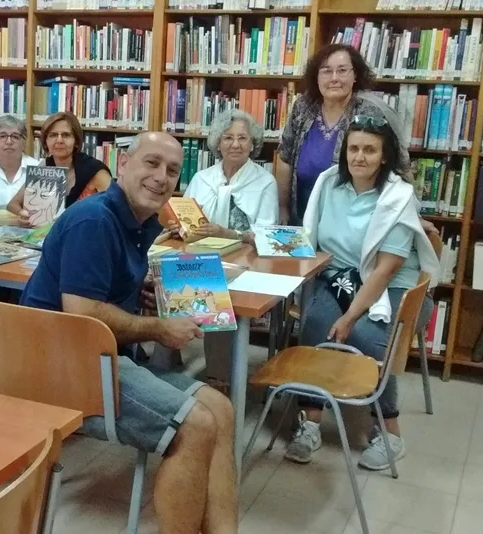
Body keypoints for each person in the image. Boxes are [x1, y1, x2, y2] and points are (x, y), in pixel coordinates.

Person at [20, 132, 238, 534]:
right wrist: (158, 327)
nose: (161, 177)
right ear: (122, 164)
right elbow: (82, 313)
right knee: (197, 425)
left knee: (221, 410)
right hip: (62, 368)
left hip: (101, 356)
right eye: (151, 163)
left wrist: (135, 294)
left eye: (172, 170)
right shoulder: (94, 220)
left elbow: (97, 293)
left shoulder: (142, 222)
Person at [285, 115, 438, 470]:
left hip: (388, 286)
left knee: (368, 338)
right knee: (313, 331)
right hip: (336, 276)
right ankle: (310, 423)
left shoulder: (398, 197)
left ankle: (389, 432)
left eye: (370, 150)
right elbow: (308, 237)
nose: (360, 157)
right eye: (354, 148)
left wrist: (351, 316)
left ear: (384, 156)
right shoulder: (329, 184)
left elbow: (386, 268)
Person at [276, 43, 412, 227]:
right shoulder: (304, 106)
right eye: (326, 71)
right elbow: (285, 157)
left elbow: (400, 167)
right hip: (300, 217)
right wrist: (282, 207)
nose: (334, 78)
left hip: (353, 223)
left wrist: (410, 214)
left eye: (342, 70)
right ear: (316, 76)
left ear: (355, 75)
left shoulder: (371, 112)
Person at [176, 109, 277, 244]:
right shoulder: (200, 179)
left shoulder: (266, 182)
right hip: (201, 256)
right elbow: (185, 225)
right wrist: (177, 227)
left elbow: (267, 237)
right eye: (228, 138)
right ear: (218, 144)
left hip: (247, 260)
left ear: (252, 145)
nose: (235, 145)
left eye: (242, 138)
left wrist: (226, 234)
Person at [6, 112, 112, 226]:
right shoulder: (45, 166)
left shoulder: (96, 171)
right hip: (48, 235)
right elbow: (13, 204)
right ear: (46, 142)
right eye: (53, 135)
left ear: (76, 141)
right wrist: (22, 214)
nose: (59, 140)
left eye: (66, 135)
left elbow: (116, 210)